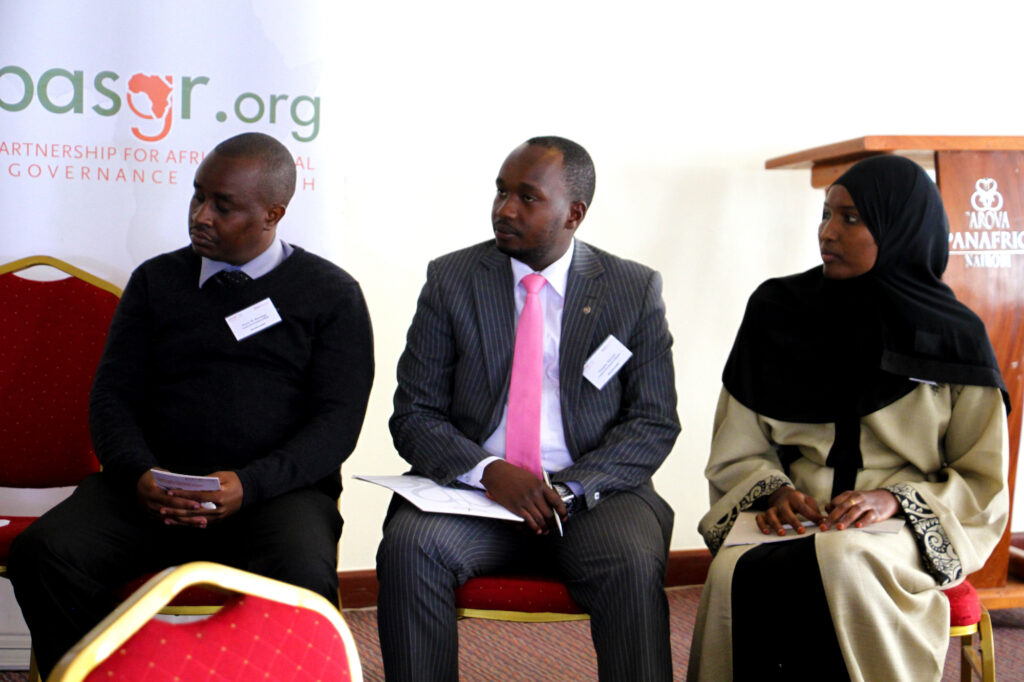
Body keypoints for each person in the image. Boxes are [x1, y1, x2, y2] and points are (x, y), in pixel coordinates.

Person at [8, 132, 374, 677]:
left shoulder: (331, 294)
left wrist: (248, 485)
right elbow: (112, 396)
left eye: (222, 206)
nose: (200, 215)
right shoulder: (158, 281)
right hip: (151, 488)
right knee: (44, 554)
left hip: (272, 496)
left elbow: (336, 424)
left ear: (274, 213)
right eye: (197, 197)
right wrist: (139, 474)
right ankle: (102, 673)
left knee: (301, 571)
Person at [687, 155, 1010, 681]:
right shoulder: (778, 310)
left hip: (900, 527)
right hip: (795, 517)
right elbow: (737, 445)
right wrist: (773, 493)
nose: (827, 232)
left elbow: (983, 480)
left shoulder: (954, 336)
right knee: (734, 569)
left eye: (852, 218)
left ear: (899, 228)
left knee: (841, 562)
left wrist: (895, 500)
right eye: (826, 214)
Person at [376, 136, 679, 681]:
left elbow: (653, 420)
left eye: (527, 197)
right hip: (473, 495)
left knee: (630, 562)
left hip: (592, 496)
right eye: (500, 192)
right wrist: (490, 472)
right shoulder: (452, 280)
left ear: (575, 213)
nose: (504, 209)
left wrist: (569, 489)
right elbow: (415, 413)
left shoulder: (631, 289)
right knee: (411, 545)